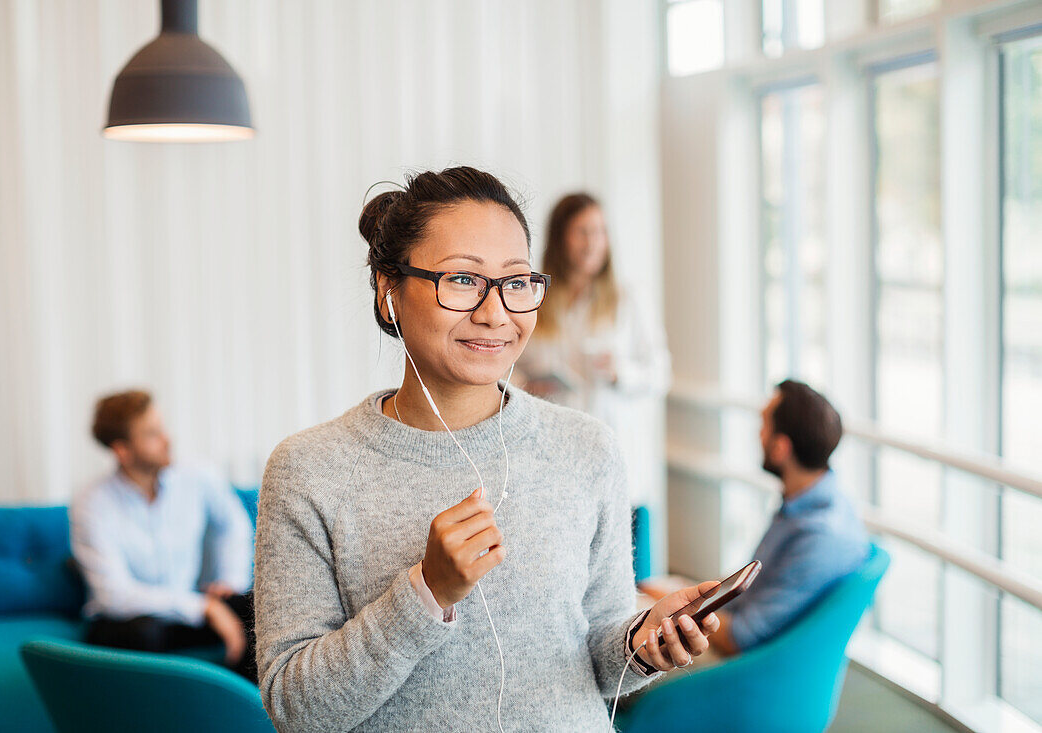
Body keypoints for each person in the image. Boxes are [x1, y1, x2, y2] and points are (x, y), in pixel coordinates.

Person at [254, 167, 720, 732]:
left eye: (517, 282)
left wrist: (642, 645)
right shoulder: (308, 471)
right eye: (462, 280)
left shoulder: (587, 448)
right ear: (388, 289)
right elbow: (296, 712)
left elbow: (598, 656)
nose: (496, 313)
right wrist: (426, 593)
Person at [70, 390, 257, 683]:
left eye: (162, 428)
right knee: (144, 632)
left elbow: (233, 524)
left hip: (186, 613)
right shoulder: (92, 503)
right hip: (125, 619)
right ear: (122, 450)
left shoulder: (197, 477)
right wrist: (203, 607)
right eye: (152, 434)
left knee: (259, 608)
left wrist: (229, 582)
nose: (167, 440)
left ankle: (234, 707)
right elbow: (114, 595)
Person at [516, 193, 670, 511]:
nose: (593, 242)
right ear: (560, 238)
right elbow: (512, 363)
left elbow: (660, 374)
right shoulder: (537, 300)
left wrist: (620, 373)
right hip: (555, 453)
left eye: (599, 232)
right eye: (582, 232)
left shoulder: (628, 299)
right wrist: (525, 386)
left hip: (611, 452)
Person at [709, 380, 869, 656]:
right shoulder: (820, 503)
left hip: (741, 669)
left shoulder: (818, 536)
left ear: (781, 447)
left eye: (763, 424)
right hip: (737, 625)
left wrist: (674, 611)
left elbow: (740, 637)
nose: (758, 434)